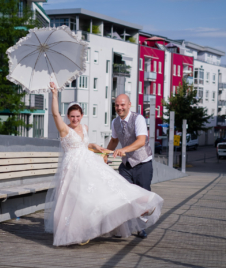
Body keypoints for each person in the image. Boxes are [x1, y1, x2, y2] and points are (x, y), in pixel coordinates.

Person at [44, 83, 163, 246]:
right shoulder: (65, 129)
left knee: (111, 188)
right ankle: (81, 229)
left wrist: (96, 147)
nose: (75, 119)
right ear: (68, 116)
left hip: (135, 161)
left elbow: (141, 141)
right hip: (73, 166)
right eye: (72, 116)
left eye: (78, 116)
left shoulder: (136, 119)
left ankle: (142, 215)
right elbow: (55, 114)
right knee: (81, 199)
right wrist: (55, 95)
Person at [105, 94, 154, 239]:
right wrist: (106, 154)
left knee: (142, 198)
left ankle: (140, 228)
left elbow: (141, 141)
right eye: (117, 105)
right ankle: (122, 229)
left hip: (142, 163)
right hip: (126, 165)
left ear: (129, 105)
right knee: (121, 196)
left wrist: (124, 150)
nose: (119, 108)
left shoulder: (138, 119)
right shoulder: (115, 122)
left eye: (122, 105)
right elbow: (114, 140)